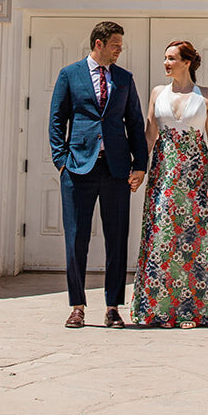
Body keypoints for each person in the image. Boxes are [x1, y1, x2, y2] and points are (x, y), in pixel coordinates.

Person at [131, 39, 208, 327]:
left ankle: (194, 311)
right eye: (165, 58)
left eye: (171, 58)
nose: (166, 63)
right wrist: (138, 169)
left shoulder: (206, 96)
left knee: (197, 243)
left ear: (187, 62)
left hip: (196, 176)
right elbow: (149, 136)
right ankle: (160, 309)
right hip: (164, 176)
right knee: (163, 240)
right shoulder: (158, 93)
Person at [49, 20, 147, 328]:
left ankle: (112, 307)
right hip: (78, 168)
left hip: (116, 169)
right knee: (76, 239)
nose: (120, 49)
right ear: (99, 44)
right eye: (116, 44)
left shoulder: (124, 79)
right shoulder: (70, 75)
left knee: (117, 239)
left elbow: (135, 123)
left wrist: (140, 165)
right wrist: (61, 160)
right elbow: (57, 120)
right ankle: (77, 305)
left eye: (121, 45)